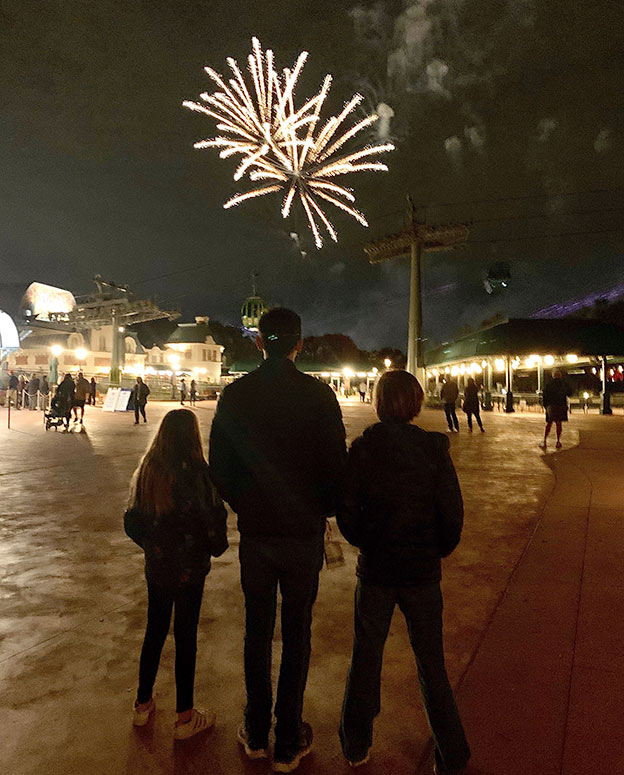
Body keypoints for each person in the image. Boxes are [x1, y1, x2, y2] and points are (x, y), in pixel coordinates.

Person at [210, 307, 347, 773]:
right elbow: (336, 468)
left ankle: (255, 728)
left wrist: (246, 505)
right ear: (299, 344)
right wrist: (320, 508)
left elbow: (221, 468)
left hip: (258, 534)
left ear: (258, 343)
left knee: (257, 630)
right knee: (297, 631)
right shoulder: (319, 395)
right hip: (303, 533)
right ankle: (289, 737)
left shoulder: (236, 394)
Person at [337, 370, 470, 774]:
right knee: (432, 664)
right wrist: (433, 550)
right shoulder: (433, 449)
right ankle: (452, 753)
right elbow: (452, 514)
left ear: (378, 402)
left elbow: (346, 513)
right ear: (415, 402)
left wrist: (368, 543)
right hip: (422, 573)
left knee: (366, 657)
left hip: (376, 570)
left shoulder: (363, 449)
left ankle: (356, 743)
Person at [124, 409, 228, 739]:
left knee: (154, 631)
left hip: (158, 567)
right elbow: (214, 522)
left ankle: (143, 704)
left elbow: (131, 520)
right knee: (185, 637)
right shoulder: (199, 473)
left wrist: (152, 545)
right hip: (190, 569)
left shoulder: (149, 470)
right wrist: (215, 545)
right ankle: (185, 717)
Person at [542, 369, 572, 449]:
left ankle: (544, 440)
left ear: (553, 376)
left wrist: (545, 406)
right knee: (559, 424)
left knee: (549, 423)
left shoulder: (549, 384)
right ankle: (558, 441)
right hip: (561, 405)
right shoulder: (564, 384)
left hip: (551, 406)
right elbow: (569, 393)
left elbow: (545, 395)